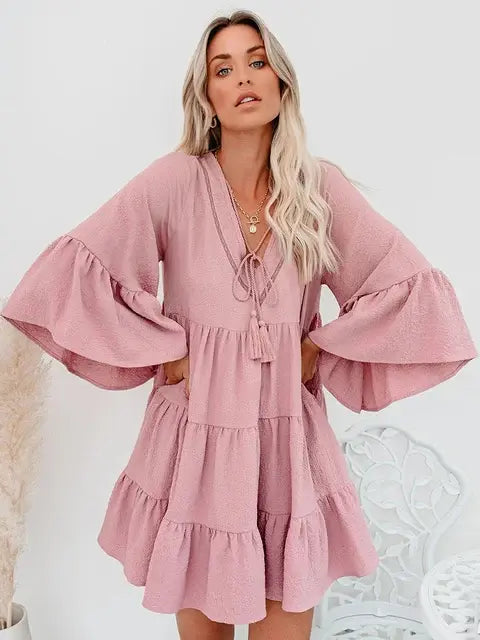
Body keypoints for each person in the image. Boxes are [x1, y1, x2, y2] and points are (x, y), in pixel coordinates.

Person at [1, 9, 477, 640]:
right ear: (206, 94)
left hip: (288, 445)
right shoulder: (173, 181)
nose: (243, 78)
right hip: (195, 441)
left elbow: (407, 286)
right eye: (222, 69)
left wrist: (318, 349)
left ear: (281, 80)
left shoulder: (317, 188)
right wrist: (166, 353)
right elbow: (73, 272)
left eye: (256, 61)